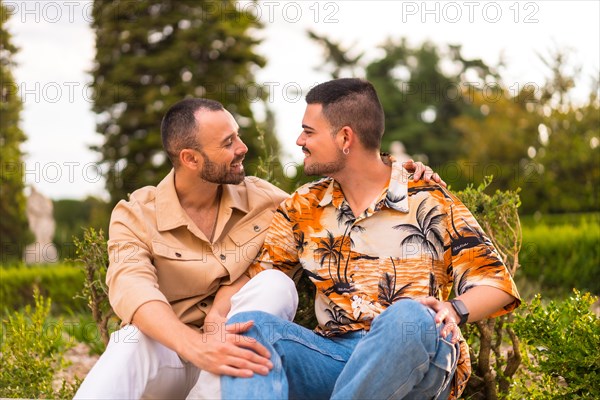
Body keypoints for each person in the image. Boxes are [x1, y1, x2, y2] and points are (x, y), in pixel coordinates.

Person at [74, 97, 441, 399]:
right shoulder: (135, 214)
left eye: (238, 136)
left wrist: (397, 176)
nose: (242, 148)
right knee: (130, 342)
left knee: (274, 285)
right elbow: (132, 287)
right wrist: (196, 345)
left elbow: (342, 202)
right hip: (172, 353)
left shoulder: (265, 200)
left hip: (236, 362)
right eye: (228, 142)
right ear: (190, 158)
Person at [218, 79, 521, 400]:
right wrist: (206, 329)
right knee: (251, 331)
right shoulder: (302, 206)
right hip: (334, 358)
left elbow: (496, 285)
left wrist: (454, 309)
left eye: (309, 131)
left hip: (417, 353)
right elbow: (254, 281)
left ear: (345, 137)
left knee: (411, 315)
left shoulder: (428, 198)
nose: (299, 141)